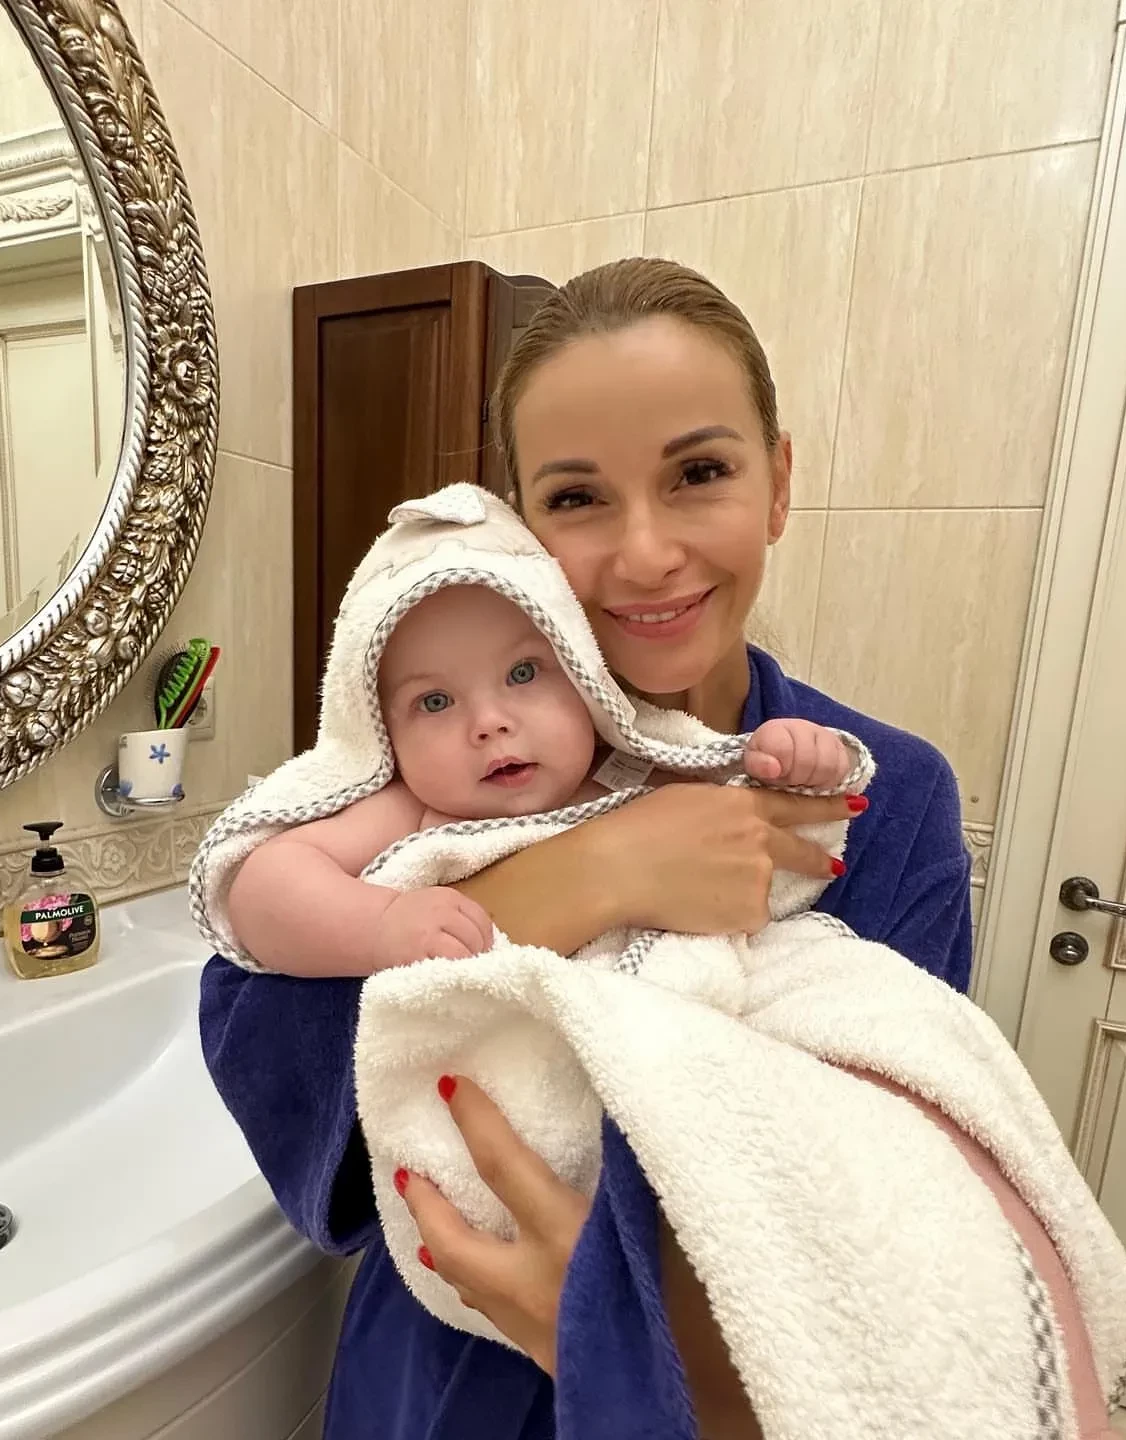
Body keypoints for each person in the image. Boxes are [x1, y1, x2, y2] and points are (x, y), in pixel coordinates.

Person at [199, 259, 974, 1439]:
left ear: (778, 485)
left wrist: (620, 1337)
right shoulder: (431, 764)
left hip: (733, 1393)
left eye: (699, 473)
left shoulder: (890, 794)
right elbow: (261, 1027)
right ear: (519, 532)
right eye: (577, 498)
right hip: (441, 1369)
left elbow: (902, 1186)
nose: (646, 553)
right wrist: (589, 875)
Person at [223, 578, 854, 978]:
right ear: (383, 734)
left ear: (586, 684)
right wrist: (380, 927)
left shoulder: (628, 775)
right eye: (435, 702)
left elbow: (748, 827)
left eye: (523, 674)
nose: (489, 723)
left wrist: (785, 760)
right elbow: (262, 887)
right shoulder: (412, 808)